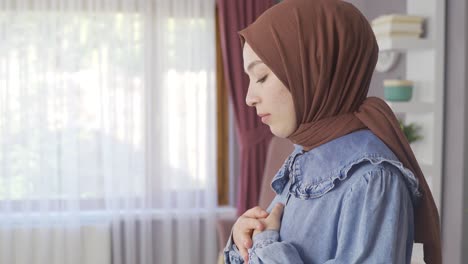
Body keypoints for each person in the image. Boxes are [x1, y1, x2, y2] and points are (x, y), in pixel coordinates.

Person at [223, 0, 441, 263]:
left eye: (261, 77)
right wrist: (240, 239)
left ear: (314, 72)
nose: (249, 98)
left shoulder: (372, 180)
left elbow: (268, 245)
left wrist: (266, 246)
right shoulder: (305, 158)